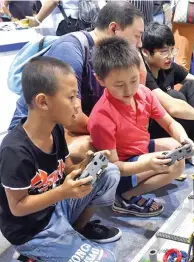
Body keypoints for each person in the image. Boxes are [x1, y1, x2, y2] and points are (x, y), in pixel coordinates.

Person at [0, 57, 121, 262]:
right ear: (43, 102)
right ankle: (40, 249)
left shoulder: (55, 129)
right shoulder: (14, 151)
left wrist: (86, 164)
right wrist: (63, 193)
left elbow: (65, 170)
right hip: (32, 231)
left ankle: (75, 230)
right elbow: (17, 208)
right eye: (71, 97)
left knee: (108, 171)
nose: (77, 104)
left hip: (56, 208)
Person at [9, 1, 145, 163]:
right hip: (39, 132)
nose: (140, 43)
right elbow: (72, 118)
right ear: (114, 29)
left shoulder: (112, 58)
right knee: (86, 148)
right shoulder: (71, 49)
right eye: (137, 36)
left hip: (67, 126)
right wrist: (114, 130)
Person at [88, 37, 194, 217]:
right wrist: (146, 164)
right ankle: (124, 197)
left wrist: (184, 139)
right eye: (119, 85)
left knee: (176, 148)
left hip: (140, 152)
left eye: (134, 80)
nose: (129, 90)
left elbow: (169, 122)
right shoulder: (101, 117)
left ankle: (144, 180)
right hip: (122, 170)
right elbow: (113, 168)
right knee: (176, 164)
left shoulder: (143, 93)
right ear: (100, 80)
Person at [142, 22, 194, 152]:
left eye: (172, 50)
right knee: (174, 96)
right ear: (146, 52)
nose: (170, 56)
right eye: (164, 52)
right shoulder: (143, 73)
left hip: (178, 126)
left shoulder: (169, 66)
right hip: (156, 128)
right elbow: (172, 108)